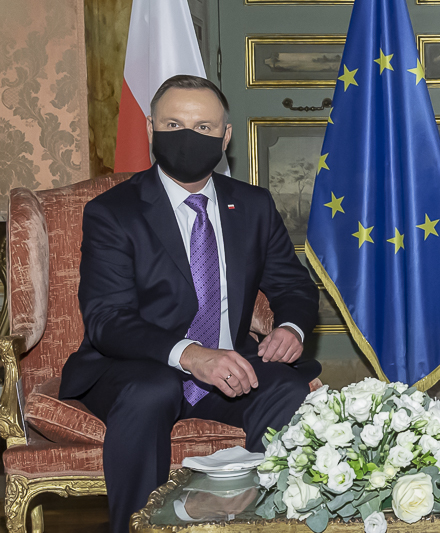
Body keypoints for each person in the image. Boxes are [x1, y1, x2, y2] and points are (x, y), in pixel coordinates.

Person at [58, 75, 320, 533]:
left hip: (228, 365)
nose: (187, 136)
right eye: (174, 123)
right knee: (153, 389)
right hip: (136, 366)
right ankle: (137, 527)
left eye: (203, 127)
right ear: (149, 128)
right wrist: (191, 355)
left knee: (288, 389)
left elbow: (292, 284)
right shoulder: (113, 212)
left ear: (225, 136)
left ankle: (266, 521)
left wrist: (291, 328)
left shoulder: (253, 206)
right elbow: (107, 320)